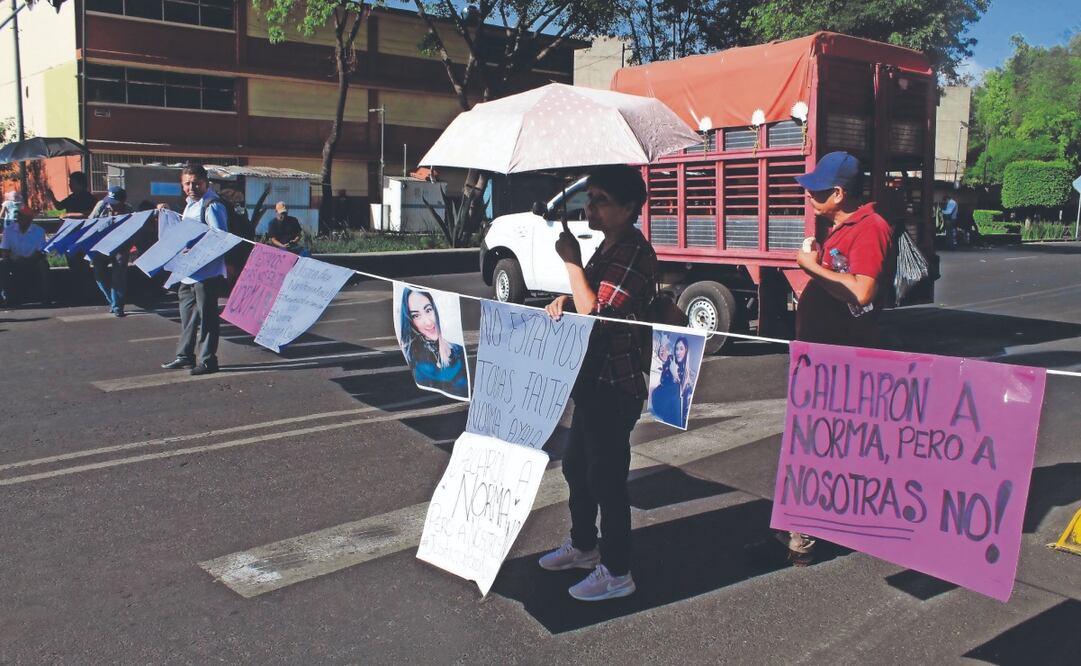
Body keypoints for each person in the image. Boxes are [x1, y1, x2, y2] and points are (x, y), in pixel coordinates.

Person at [538, 164, 657, 602]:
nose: (590, 207)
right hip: (591, 379)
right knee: (576, 469)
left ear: (628, 208)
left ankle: (618, 571)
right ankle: (585, 547)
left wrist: (570, 262)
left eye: (601, 200)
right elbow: (590, 298)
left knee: (607, 479)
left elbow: (598, 315)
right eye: (589, 198)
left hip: (616, 382)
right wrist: (566, 296)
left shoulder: (633, 252)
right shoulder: (609, 247)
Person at [786, 150, 894, 566]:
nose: (808, 194)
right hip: (820, 355)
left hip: (841, 360)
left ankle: (805, 535)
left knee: (821, 447)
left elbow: (862, 291)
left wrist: (810, 267)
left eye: (816, 189)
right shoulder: (839, 225)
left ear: (838, 192)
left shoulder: (870, 228)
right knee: (814, 445)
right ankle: (803, 527)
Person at [159, 164, 229, 376]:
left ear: (205, 183)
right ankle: (185, 355)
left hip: (206, 272)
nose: (192, 187)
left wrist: (195, 249)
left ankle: (208, 359)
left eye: (196, 183)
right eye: (187, 184)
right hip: (187, 272)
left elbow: (219, 237)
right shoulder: (190, 205)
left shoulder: (212, 205)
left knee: (207, 318)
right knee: (187, 316)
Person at [398, 286, 469, 399]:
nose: (427, 322)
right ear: (411, 321)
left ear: (435, 308)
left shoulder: (459, 351)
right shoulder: (412, 358)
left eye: (428, 310)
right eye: (416, 316)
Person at [89, 186, 135, 317]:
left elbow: (133, 232)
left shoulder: (130, 211)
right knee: (99, 274)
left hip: (120, 245)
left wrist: (126, 248)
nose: (111, 206)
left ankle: (117, 307)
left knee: (119, 276)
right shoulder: (101, 206)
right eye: (109, 202)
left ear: (123, 201)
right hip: (101, 244)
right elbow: (91, 223)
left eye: (115, 203)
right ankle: (112, 300)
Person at [0, 207, 50, 306]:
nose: (19, 218)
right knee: (2, 264)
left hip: (33, 260)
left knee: (43, 265)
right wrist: (11, 258)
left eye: (22, 216)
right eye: (18, 216)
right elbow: (4, 250)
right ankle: (5, 297)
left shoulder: (39, 231)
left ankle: (46, 296)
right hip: (14, 260)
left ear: (30, 219)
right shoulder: (9, 230)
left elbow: (40, 251)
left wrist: (29, 260)